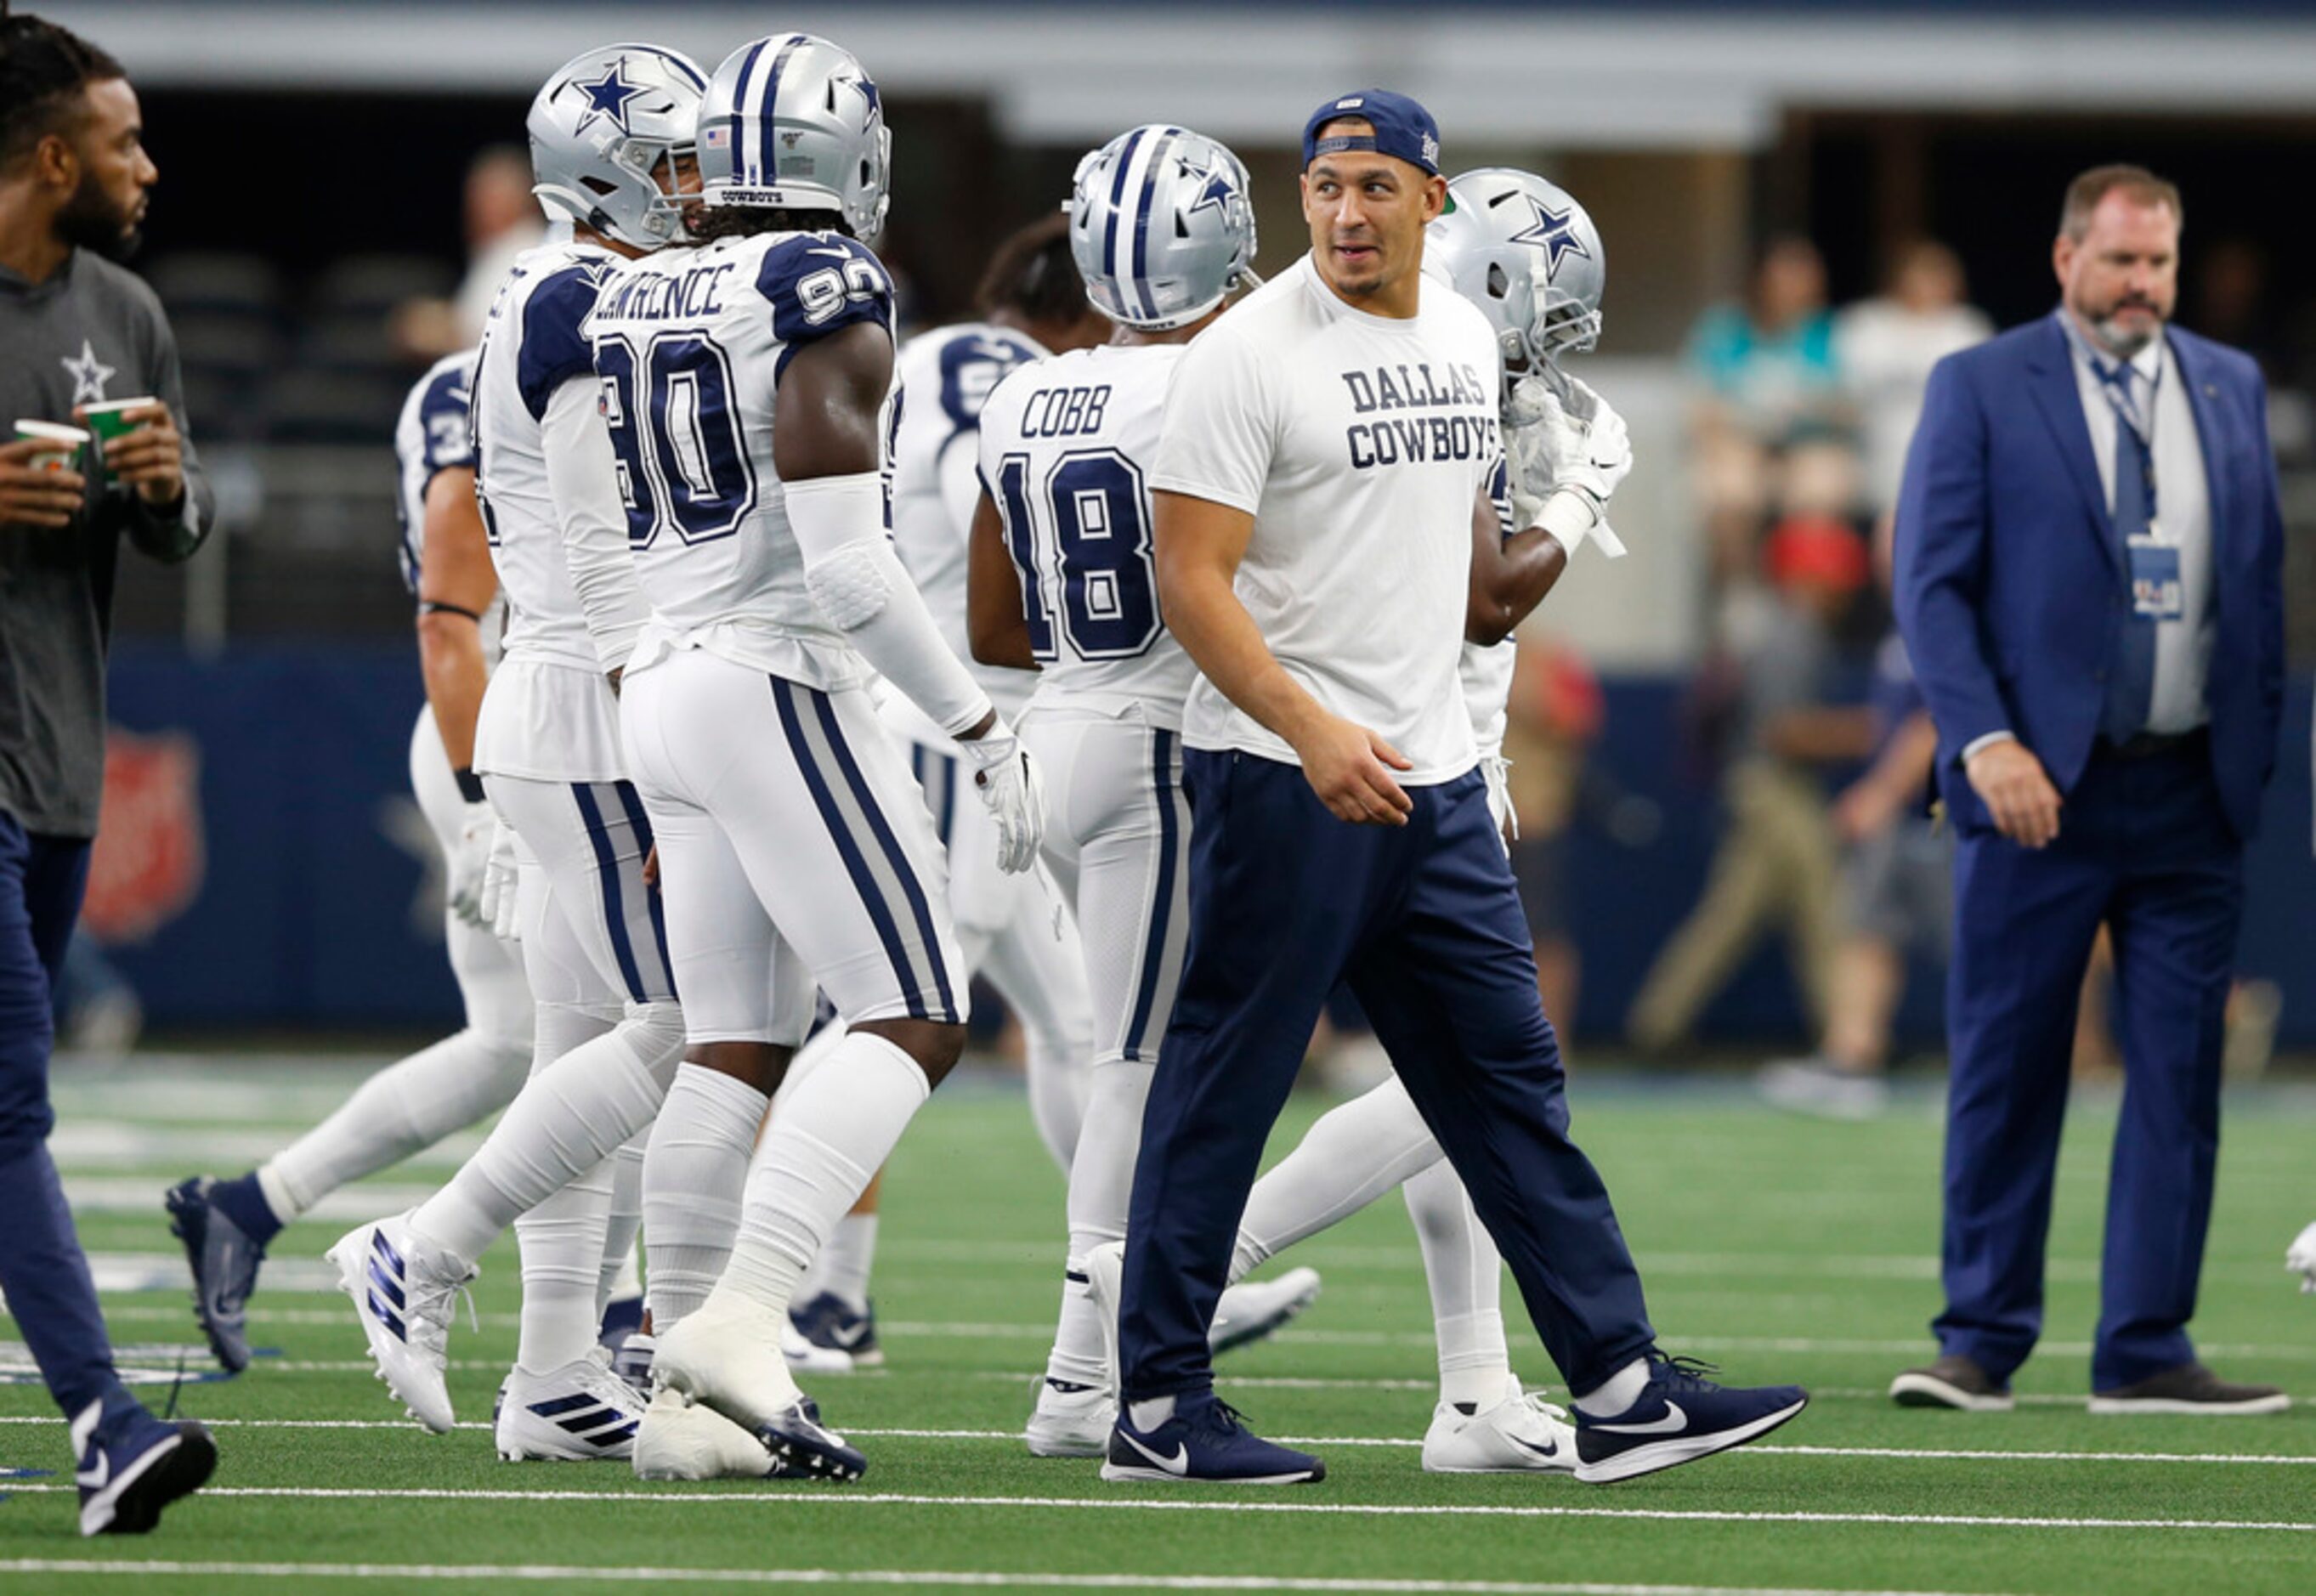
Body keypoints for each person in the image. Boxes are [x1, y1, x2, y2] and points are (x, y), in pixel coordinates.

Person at [1104, 88, 1806, 1486]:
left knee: (1508, 1083)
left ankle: (1618, 1384)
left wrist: (1566, 509)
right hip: (1283, 773)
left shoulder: (1465, 335)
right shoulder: (1246, 353)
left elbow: (1484, 593)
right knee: (1223, 1084)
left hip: (1430, 781)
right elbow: (1189, 580)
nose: (1348, 212)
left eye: (1376, 186)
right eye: (1325, 187)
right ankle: (1156, 1402)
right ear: (1300, 199)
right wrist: (1309, 729)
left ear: (1434, 199)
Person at [592, 31, 1042, 1486]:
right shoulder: (823, 282)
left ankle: (677, 1403)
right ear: (847, 156)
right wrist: (978, 724)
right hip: (769, 668)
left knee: (732, 1049)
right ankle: (744, 1312)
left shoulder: (644, 279)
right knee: (915, 1002)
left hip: (663, 670)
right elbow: (849, 571)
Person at [328, 43, 711, 1465]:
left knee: (573, 1048)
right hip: (590, 702)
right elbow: (608, 557)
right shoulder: (572, 299)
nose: (698, 184)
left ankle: (553, 1370)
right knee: (672, 1023)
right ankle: (421, 1247)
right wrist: (664, 725)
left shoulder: (582, 288)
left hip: (569, 700)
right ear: (607, 170)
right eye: (673, 158)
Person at [1891, 165, 2287, 1416]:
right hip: (2033, 790)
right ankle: (1980, 1338)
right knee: (2008, 1067)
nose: (2141, 287)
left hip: (2188, 788)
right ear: (2066, 261)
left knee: (2180, 1077)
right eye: (2119, 262)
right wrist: (1983, 744)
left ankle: (2146, 1347)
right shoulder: (1980, 382)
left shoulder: (2227, 383)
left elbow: (2260, 590)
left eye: (2157, 263)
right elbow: (1930, 585)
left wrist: (2251, 758)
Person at [965, 125, 1328, 1458]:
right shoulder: (1235, 380)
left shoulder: (1022, 391)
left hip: (1054, 722)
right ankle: (1085, 1381)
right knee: (1134, 1064)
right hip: (1163, 741)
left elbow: (992, 621)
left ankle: (1086, 1370)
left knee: (1119, 1043)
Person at [776, 212, 1111, 1373]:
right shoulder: (1030, 379)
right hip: (971, 725)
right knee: (902, 1013)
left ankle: (1137, 1271)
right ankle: (766, 1273)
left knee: (1076, 1020)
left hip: (928, 711)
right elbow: (1020, 536)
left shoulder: (924, 353)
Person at [168, 345, 537, 1372]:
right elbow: (454, 608)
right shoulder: (518, 367)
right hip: (506, 725)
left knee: (521, 1043)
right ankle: (600, 1327)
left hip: (512, 720)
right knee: (622, 1032)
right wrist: (480, 801)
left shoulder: (488, 368)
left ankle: (255, 1201)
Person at [0, 10, 217, 1534]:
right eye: (127, 140)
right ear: (53, 156)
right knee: (8, 1103)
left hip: (59, 753)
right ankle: (104, 1418)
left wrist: (168, 493)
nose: (149, 165)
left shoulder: (125, 310)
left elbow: (178, 529)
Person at [1626, 516, 1871, 1053]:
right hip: (1774, 788)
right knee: (1827, 911)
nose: (1843, 593)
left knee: (1730, 919)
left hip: (1761, 787)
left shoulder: (1777, 626)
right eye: (1836, 579)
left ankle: (1656, 1025)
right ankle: (1849, 1042)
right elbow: (1783, 731)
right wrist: (1867, 732)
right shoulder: (1792, 633)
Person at [1834, 241, 1992, 519]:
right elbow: (1843, 399)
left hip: (1947, 458)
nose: (1929, 284)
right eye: (1922, 274)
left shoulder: (1969, 329)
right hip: (1868, 452)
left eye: (1939, 275)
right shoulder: (1865, 323)